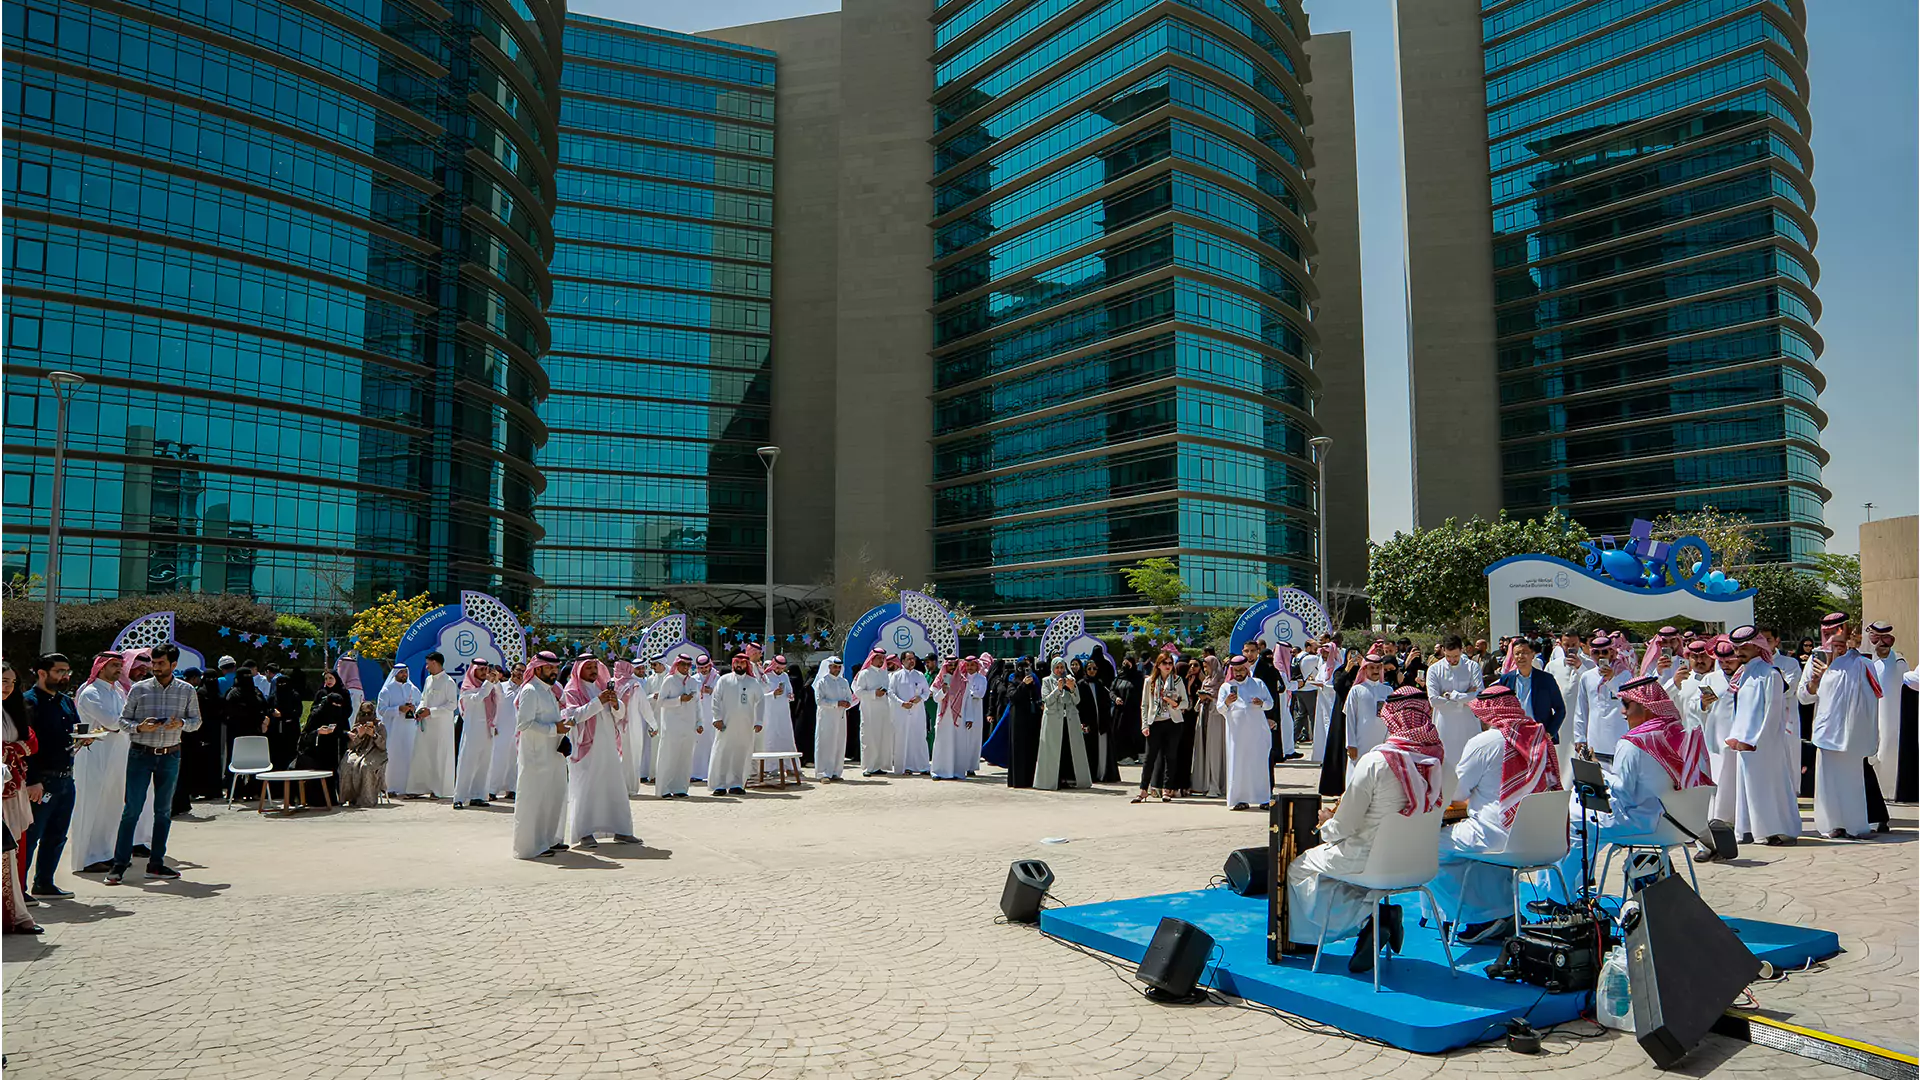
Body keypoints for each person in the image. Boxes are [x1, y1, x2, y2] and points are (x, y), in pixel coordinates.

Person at [1286, 684, 1451, 971]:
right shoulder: (1442, 764)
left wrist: (1326, 826)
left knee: (1300, 868)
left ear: (1391, 718)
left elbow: (1346, 825)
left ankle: (1371, 918)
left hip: (1370, 858)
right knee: (1343, 871)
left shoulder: (1376, 761)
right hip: (1421, 861)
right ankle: (1376, 916)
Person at [1555, 676, 1710, 899]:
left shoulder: (1633, 743)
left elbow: (1624, 795)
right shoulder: (1683, 734)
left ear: (1644, 706)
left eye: (1626, 704)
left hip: (1648, 823)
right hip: (1688, 824)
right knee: (1585, 819)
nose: (1622, 712)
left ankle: (1560, 898)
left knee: (1572, 821)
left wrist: (1598, 772)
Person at [1427, 685, 1561, 942]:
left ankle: (1481, 918)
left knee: (1427, 847)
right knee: (1471, 845)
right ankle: (1503, 912)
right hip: (1545, 838)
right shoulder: (1540, 736)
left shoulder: (1485, 741)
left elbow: (1456, 792)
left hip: (1499, 835)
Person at [105, 644, 201, 885]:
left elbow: (196, 721)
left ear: (173, 665)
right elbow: (122, 721)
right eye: (153, 663)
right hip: (141, 754)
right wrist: (139, 727)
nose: (155, 668)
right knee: (132, 810)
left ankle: (156, 863)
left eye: (161, 663)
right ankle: (119, 865)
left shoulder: (186, 690)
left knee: (164, 812)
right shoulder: (139, 689)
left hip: (170, 755)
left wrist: (180, 723)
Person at [1798, 614, 1882, 839]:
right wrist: (1815, 682)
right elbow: (1804, 697)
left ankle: (1856, 826)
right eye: (1830, 636)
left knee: (1853, 782)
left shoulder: (1862, 663)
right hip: (1827, 732)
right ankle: (1832, 825)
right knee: (1828, 782)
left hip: (1853, 733)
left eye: (1840, 636)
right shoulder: (1816, 661)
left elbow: (1873, 697)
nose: (1836, 642)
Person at [71, 653, 147, 873]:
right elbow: (114, 722)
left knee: (112, 806)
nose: (118, 670)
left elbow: (125, 720)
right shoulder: (90, 693)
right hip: (94, 755)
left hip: (117, 755)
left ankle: (107, 853)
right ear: (101, 667)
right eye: (113, 665)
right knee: (92, 806)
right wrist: (135, 723)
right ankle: (87, 858)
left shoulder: (118, 691)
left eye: (119, 666)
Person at [1724, 625, 1800, 845]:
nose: (1739, 652)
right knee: (1748, 789)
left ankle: (1773, 830)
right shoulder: (1744, 674)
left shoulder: (1771, 674)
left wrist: (1757, 741)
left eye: (1745, 646)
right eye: (1736, 647)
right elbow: (1741, 711)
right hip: (1743, 743)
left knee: (1767, 788)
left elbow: (1772, 713)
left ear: (1758, 647)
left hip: (1763, 745)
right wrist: (1736, 737)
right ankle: (1748, 830)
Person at [561, 656, 638, 846]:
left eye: (595, 667)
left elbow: (619, 714)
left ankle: (621, 830)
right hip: (586, 747)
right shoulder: (572, 690)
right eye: (588, 668)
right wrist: (598, 701)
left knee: (614, 787)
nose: (593, 671)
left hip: (607, 746)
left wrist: (615, 704)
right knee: (586, 789)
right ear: (579, 670)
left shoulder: (603, 686)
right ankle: (584, 833)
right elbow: (572, 717)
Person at [21, 653, 80, 899]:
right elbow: (25, 746)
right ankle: (18, 889)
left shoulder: (66, 701)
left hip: (66, 778)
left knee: (57, 834)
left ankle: (44, 882)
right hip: (41, 781)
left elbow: (76, 730)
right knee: (31, 835)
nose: (64, 676)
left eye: (67, 671)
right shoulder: (28, 703)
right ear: (42, 673)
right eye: (59, 671)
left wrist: (82, 741)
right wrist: (32, 780)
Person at [512, 653, 573, 858]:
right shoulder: (530, 691)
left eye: (556, 668)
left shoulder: (550, 691)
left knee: (553, 796)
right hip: (535, 755)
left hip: (553, 753)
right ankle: (530, 846)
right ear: (537, 669)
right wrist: (553, 729)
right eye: (549, 668)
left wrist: (562, 730)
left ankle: (549, 840)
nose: (554, 671)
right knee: (534, 799)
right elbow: (524, 724)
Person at [4, 665, 42, 933]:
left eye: (12, 682)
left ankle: (16, 913)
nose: (7, 687)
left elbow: (31, 741)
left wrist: (13, 750)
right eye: (3, 681)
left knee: (13, 849)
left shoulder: (11, 710)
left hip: (11, 789)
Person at [1217, 654, 1277, 811]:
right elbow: (1219, 709)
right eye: (1235, 670)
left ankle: (1263, 798)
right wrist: (1227, 702)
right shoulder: (1226, 687)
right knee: (1238, 764)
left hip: (1257, 733)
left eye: (1241, 670)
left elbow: (1270, 704)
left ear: (1246, 669)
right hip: (1237, 735)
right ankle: (1239, 799)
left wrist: (1261, 703)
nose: (1238, 673)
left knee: (1259, 764)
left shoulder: (1258, 683)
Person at [1865, 623, 1909, 814]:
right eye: (1877, 639)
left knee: (1889, 749)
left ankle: (1890, 791)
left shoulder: (1899, 663)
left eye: (1886, 640)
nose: (1881, 644)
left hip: (1892, 716)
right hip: (1869, 714)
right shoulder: (1866, 662)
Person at [1135, 652, 1190, 802]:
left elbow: (1186, 703)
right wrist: (1144, 724)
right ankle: (1143, 790)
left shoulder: (1177, 681)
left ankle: (1167, 789)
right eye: (1164, 663)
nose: (1167, 666)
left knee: (1171, 756)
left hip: (1173, 722)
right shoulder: (1150, 682)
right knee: (1149, 758)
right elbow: (1145, 705)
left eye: (1170, 663)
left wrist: (1174, 703)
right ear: (1158, 665)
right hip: (1155, 722)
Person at [1569, 633, 1633, 762]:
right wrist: (1579, 737)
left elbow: (1629, 701)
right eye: (1596, 653)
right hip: (1595, 738)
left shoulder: (1624, 674)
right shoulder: (1587, 676)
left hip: (1619, 736)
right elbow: (1581, 709)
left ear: (1611, 652)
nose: (1601, 656)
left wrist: (1612, 680)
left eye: (1604, 652)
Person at [709, 651, 765, 795]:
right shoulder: (724, 680)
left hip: (746, 725)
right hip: (726, 724)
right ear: (733, 663)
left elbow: (760, 701)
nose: (739, 665)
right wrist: (717, 718)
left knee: (741, 753)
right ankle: (720, 785)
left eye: (742, 663)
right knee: (723, 753)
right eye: (737, 662)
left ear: (746, 665)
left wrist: (758, 720)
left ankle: (737, 784)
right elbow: (715, 699)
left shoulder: (753, 682)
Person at [1425, 636, 1484, 768]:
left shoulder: (1472, 667)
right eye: (1448, 656)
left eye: (1456, 656)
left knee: (1472, 762)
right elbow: (1434, 700)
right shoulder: (1434, 669)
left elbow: (1479, 695)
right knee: (1447, 766)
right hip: (1444, 725)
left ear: (1461, 651)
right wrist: (1465, 697)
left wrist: (1451, 695)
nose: (1452, 660)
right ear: (1443, 651)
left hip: (1468, 724)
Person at [1494, 638, 1566, 744]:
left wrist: (1550, 733)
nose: (1521, 656)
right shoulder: (1506, 680)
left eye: (1524, 653)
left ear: (1532, 655)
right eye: (1517, 654)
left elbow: (1560, 709)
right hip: (1514, 736)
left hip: (1539, 736)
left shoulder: (1546, 679)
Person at [452, 659, 503, 808]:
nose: (483, 672)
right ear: (473, 671)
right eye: (480, 669)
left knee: (484, 764)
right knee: (467, 763)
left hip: (488, 731)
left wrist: (496, 682)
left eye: (485, 669)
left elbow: (501, 698)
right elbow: (477, 699)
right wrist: (488, 684)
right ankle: (459, 798)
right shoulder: (467, 688)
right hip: (473, 731)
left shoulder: (489, 687)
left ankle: (478, 796)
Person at [1033, 657, 1090, 789]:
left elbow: (1077, 701)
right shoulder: (1046, 681)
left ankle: (1068, 778)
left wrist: (1072, 689)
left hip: (1069, 721)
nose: (1060, 670)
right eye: (1057, 667)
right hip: (1053, 720)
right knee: (1052, 750)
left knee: (1068, 749)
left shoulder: (1070, 680)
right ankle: (1051, 780)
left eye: (1062, 667)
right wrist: (1057, 689)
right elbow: (1046, 701)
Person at [407, 653, 458, 798]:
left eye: (428, 663)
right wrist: (420, 710)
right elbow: (424, 699)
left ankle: (438, 790)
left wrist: (432, 712)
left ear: (435, 663)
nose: (427, 666)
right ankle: (418, 788)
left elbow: (452, 704)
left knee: (438, 756)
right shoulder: (429, 679)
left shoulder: (448, 682)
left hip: (441, 726)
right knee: (422, 754)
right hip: (426, 725)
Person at [653, 654, 704, 798]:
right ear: (677, 665)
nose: (686, 668)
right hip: (671, 727)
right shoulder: (669, 680)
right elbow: (661, 702)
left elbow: (697, 705)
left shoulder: (693, 682)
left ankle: (680, 788)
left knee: (685, 758)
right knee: (669, 757)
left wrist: (699, 722)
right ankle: (663, 790)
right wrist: (679, 699)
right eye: (683, 665)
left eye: (688, 665)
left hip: (688, 726)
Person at [294, 670, 353, 794]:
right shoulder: (321, 693)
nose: (328, 681)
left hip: (339, 729)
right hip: (322, 732)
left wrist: (337, 717)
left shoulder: (344, 693)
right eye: (326, 678)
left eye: (331, 678)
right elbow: (314, 710)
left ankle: (340, 792)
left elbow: (348, 711)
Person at [1341, 649, 1392, 780]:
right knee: (1357, 774)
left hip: (1383, 742)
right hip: (1360, 742)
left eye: (1377, 667)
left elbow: (1393, 718)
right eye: (1371, 668)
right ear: (1364, 669)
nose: (1375, 671)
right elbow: (1350, 718)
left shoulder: (1388, 690)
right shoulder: (1356, 690)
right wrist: (1351, 743)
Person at [931, 658, 981, 780]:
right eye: (950, 666)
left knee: (958, 744)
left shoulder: (964, 682)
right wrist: (943, 690)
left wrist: (969, 717)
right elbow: (936, 699)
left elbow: (968, 701)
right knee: (942, 744)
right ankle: (939, 771)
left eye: (954, 665)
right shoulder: (939, 681)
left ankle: (956, 772)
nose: (952, 668)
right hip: (943, 718)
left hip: (959, 718)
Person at [375, 664, 421, 797]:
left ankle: (409, 787)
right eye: (401, 673)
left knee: (409, 756)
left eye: (405, 672)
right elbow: (381, 710)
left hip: (410, 730)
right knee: (393, 757)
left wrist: (414, 709)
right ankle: (390, 787)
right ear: (395, 673)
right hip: (393, 730)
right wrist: (398, 709)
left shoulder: (413, 689)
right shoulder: (387, 690)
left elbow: (421, 704)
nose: (404, 675)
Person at [1000, 658, 1044, 788]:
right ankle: (1019, 780)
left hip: (1032, 719)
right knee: (1019, 749)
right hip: (1019, 719)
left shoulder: (1034, 681)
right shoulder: (1012, 681)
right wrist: (1023, 685)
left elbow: (1036, 696)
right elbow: (1013, 697)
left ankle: (1031, 779)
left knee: (1031, 748)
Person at [337, 702, 388, 807]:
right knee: (347, 765)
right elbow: (350, 746)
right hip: (358, 752)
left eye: (368, 714)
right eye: (363, 714)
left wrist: (373, 735)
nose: (366, 717)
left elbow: (383, 746)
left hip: (375, 753)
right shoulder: (357, 726)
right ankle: (350, 797)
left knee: (365, 767)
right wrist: (359, 736)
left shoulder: (380, 726)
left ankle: (366, 800)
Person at [811, 657, 853, 781]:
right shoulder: (822, 682)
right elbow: (819, 701)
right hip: (826, 717)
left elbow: (850, 697)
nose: (837, 669)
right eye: (835, 667)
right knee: (825, 744)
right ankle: (823, 773)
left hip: (840, 717)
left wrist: (847, 703)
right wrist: (836, 703)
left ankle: (835, 771)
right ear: (829, 667)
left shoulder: (844, 682)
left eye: (839, 667)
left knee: (839, 743)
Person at [853, 647, 893, 776]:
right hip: (869, 710)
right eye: (879, 658)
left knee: (882, 737)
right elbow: (858, 692)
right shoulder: (864, 673)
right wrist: (874, 693)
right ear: (872, 658)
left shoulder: (884, 673)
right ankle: (868, 767)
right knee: (869, 738)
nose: (881, 661)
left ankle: (879, 766)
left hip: (883, 710)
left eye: (883, 658)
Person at [890, 653, 932, 776]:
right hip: (901, 712)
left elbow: (926, 691)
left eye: (913, 659)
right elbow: (890, 692)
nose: (911, 661)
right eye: (909, 659)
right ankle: (905, 766)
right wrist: (901, 703)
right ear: (902, 661)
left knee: (919, 736)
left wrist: (921, 698)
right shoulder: (896, 676)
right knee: (903, 738)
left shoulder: (919, 675)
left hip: (917, 712)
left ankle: (923, 766)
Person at [616, 659, 654, 794]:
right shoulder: (634, 685)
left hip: (617, 727)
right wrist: (653, 724)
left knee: (621, 756)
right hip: (632, 726)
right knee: (633, 756)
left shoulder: (612, 685)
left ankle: (620, 788)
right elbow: (645, 707)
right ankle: (630, 788)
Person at [489, 663, 525, 800]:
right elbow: (492, 706)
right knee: (498, 760)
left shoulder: (526, 689)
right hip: (501, 729)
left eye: (523, 671)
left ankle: (511, 789)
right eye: (518, 670)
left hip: (518, 730)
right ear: (512, 670)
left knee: (514, 761)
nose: (520, 673)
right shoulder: (501, 687)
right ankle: (492, 790)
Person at [1302, 641, 1338, 764]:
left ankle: (1332, 756)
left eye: (1326, 652)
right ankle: (1323, 755)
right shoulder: (1322, 667)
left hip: (1332, 700)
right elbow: (1319, 680)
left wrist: (1325, 686)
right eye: (1322, 652)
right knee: (1321, 726)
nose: (1323, 655)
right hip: (1322, 700)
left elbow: (1337, 685)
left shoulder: (1338, 667)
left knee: (1330, 726)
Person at [760, 655, 797, 755]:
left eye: (782, 668)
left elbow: (789, 690)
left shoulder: (784, 676)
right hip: (770, 711)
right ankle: (770, 766)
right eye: (777, 668)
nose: (779, 670)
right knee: (771, 735)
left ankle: (787, 764)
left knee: (785, 734)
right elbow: (760, 696)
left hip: (783, 710)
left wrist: (790, 695)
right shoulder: (765, 677)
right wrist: (773, 694)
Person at [690, 654, 719, 783]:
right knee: (698, 745)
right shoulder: (694, 679)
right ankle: (696, 772)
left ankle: (711, 772)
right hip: (698, 716)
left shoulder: (717, 678)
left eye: (706, 667)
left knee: (712, 743)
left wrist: (712, 691)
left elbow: (722, 695)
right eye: (701, 668)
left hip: (712, 715)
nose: (704, 670)